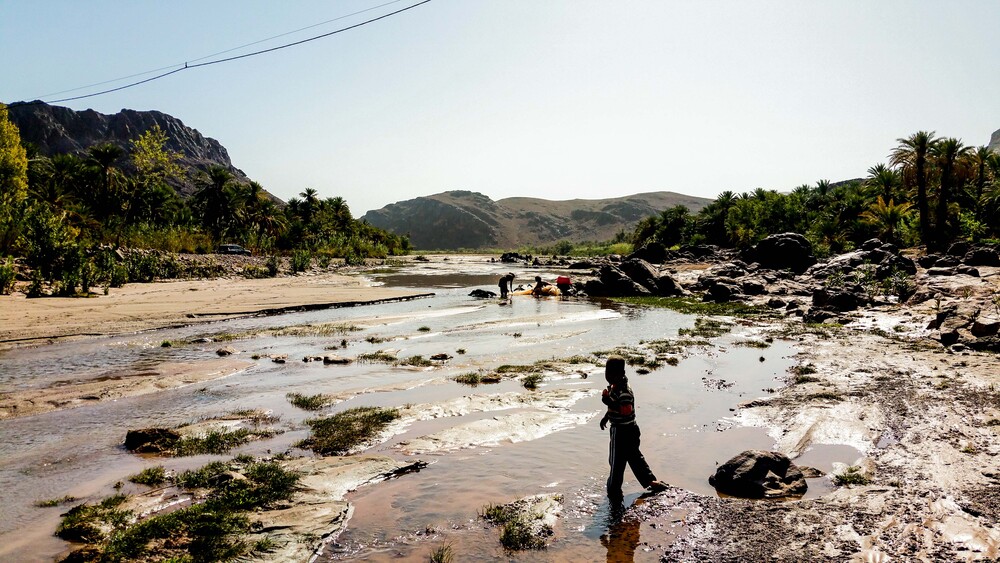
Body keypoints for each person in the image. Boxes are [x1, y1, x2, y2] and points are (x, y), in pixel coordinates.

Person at [599, 355, 668, 503]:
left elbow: (625, 410)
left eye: (613, 374)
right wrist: (606, 416)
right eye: (607, 373)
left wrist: (608, 402)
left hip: (621, 431)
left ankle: (614, 490)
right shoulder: (615, 387)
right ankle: (650, 481)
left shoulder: (624, 391)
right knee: (635, 457)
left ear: (622, 373)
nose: (609, 376)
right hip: (630, 430)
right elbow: (615, 407)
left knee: (617, 462)